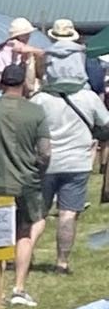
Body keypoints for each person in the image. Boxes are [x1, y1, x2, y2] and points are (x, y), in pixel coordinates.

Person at [0, 62, 52, 308]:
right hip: (26, 181)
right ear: (24, 83)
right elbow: (45, 152)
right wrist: (39, 171)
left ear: (1, 83)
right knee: (24, 232)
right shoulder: (35, 112)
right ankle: (19, 287)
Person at [32, 71, 109, 274]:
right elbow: (105, 124)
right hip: (77, 162)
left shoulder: (40, 98)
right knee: (68, 213)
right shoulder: (88, 97)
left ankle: (25, 253)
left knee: (38, 213)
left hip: (45, 161)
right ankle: (62, 262)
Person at [0, 18, 42, 84]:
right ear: (21, 35)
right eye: (27, 34)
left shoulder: (3, 47)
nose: (29, 36)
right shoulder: (15, 48)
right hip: (5, 83)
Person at [44, 18, 90, 93]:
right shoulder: (82, 53)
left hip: (53, 91)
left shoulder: (47, 54)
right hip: (81, 90)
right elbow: (96, 80)